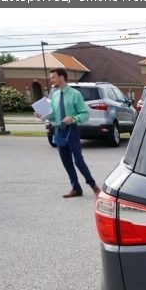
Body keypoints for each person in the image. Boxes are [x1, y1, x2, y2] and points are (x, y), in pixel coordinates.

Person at [42, 68, 99, 198]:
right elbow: (55, 116)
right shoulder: (55, 95)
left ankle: (93, 185)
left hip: (71, 131)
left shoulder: (75, 94)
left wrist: (73, 118)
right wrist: (43, 115)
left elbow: (85, 114)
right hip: (59, 131)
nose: (51, 80)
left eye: (53, 77)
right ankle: (76, 188)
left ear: (61, 77)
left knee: (78, 161)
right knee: (66, 162)